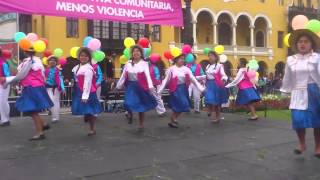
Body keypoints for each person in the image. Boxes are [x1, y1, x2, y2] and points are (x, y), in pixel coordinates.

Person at [280, 29, 320, 157]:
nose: (302, 44)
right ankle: (302, 144)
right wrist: (285, 93)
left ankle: (318, 146)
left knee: (317, 122)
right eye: (300, 42)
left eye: (306, 42)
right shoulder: (291, 59)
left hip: (314, 92)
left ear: (311, 44)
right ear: (296, 44)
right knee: (297, 120)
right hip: (297, 92)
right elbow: (287, 77)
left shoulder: (317, 58)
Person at [1, 48, 53, 140]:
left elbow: (22, 75)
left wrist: (7, 80)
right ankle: (42, 125)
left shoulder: (29, 62)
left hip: (31, 87)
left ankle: (40, 133)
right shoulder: (36, 60)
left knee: (32, 111)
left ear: (25, 53)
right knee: (33, 110)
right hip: (35, 87)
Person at [158, 53, 205, 128]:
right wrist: (159, 91)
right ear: (176, 60)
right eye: (181, 58)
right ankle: (173, 118)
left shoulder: (186, 69)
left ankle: (173, 118)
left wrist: (201, 88)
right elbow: (165, 80)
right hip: (175, 89)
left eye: (183, 58)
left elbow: (193, 79)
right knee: (179, 104)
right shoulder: (171, 69)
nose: (182, 60)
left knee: (184, 105)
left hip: (183, 89)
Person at [115, 45, 157, 130]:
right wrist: (118, 85)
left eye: (138, 51)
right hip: (131, 86)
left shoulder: (144, 64)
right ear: (132, 53)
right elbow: (123, 75)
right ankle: (129, 113)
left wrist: (150, 86)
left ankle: (141, 124)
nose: (136, 52)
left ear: (141, 53)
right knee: (128, 103)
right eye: (134, 51)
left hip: (141, 86)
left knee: (141, 106)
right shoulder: (128, 64)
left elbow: (148, 76)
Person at [71, 47, 102, 136]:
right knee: (85, 110)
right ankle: (87, 116)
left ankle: (92, 129)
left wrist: (85, 96)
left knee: (90, 111)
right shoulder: (77, 67)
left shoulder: (88, 68)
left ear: (88, 58)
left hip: (89, 92)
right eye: (81, 55)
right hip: (80, 91)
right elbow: (76, 79)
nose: (83, 57)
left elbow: (87, 83)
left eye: (85, 56)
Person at [203, 51, 228, 123]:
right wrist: (200, 79)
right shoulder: (208, 66)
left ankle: (217, 117)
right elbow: (206, 76)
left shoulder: (219, 66)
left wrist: (224, 79)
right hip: (209, 84)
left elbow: (224, 75)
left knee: (217, 103)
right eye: (209, 56)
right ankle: (209, 110)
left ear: (216, 57)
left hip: (216, 84)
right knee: (208, 98)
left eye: (211, 56)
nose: (210, 57)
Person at [45, 56, 65, 123]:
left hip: (56, 88)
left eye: (54, 60)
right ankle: (53, 113)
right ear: (48, 62)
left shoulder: (58, 70)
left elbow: (60, 79)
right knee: (51, 101)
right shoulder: (46, 70)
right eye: (50, 60)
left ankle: (55, 117)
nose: (52, 61)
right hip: (48, 88)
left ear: (56, 62)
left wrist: (63, 88)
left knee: (56, 102)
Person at [0, 49, 11, 127]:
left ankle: (5, 120)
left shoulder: (3, 63)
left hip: (3, 84)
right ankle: (5, 119)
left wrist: (5, 80)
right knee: (2, 102)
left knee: (2, 101)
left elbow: (7, 75)